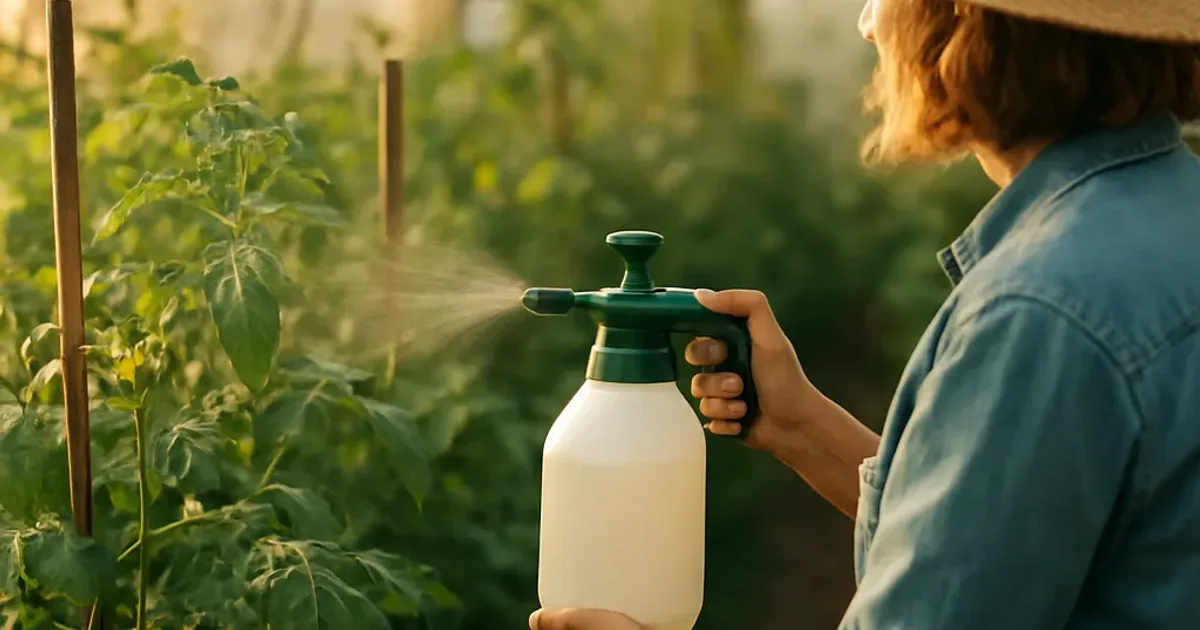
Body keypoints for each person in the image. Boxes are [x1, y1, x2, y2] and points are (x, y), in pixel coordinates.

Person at [530, 0, 1200, 628]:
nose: (869, 26)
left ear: (964, 30)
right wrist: (801, 426)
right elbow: (1002, 533)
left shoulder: (1041, 311)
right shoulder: (1167, 224)